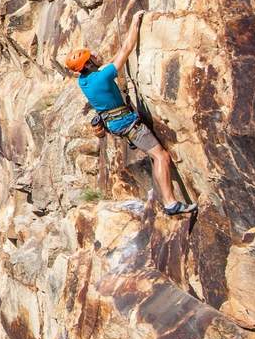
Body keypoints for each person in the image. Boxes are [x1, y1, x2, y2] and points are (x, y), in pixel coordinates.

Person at [66, 11, 196, 216]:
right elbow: (126, 49)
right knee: (161, 156)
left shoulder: (84, 81)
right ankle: (170, 203)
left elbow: (106, 65)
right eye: (92, 57)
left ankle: (166, 199)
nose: (96, 55)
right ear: (88, 65)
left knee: (156, 155)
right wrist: (135, 21)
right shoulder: (102, 77)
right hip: (126, 123)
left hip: (115, 124)